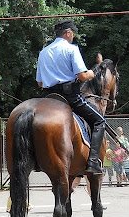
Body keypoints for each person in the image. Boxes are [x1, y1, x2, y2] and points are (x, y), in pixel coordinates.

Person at [36, 19, 105, 174]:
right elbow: (81, 75)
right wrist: (93, 72)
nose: (73, 36)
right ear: (68, 33)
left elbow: (40, 83)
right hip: (69, 97)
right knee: (100, 121)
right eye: (72, 33)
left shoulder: (43, 52)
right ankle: (93, 162)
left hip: (48, 98)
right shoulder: (71, 49)